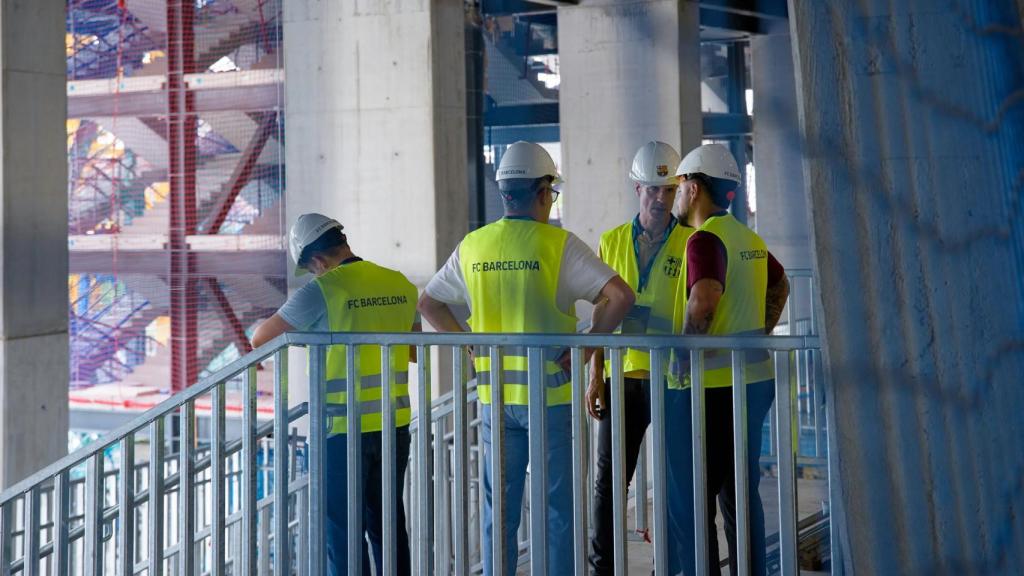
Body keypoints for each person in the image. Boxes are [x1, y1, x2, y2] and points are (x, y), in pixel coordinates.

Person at [417, 141, 635, 575]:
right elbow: (620, 297)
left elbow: (428, 303)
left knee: (498, 509)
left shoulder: (474, 245)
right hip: (549, 399)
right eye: (551, 193)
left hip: (495, 399)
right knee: (557, 509)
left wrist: (467, 343)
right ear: (542, 192)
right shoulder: (558, 245)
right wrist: (588, 345)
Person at [252, 213, 418, 576]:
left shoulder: (322, 290)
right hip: (394, 423)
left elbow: (260, 339)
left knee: (342, 532)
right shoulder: (399, 282)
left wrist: (316, 338)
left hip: (341, 428)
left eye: (312, 270)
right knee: (388, 525)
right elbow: (413, 351)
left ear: (317, 260)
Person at [669, 144, 790, 576]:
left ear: (694, 188)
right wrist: (760, 331)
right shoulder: (748, 238)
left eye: (678, 186)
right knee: (739, 495)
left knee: (694, 499)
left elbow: (704, 300)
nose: (675, 195)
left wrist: (685, 355)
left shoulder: (705, 239)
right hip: (754, 382)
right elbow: (781, 286)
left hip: (715, 389)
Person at [585, 141, 693, 575]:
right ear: (637, 189)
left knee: (676, 482)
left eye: (668, 190)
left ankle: (670, 566)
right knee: (609, 483)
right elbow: (600, 312)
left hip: (672, 379)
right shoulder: (611, 241)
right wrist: (595, 374)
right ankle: (602, 569)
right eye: (652, 189)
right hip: (622, 377)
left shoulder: (690, 242)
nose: (661, 199)